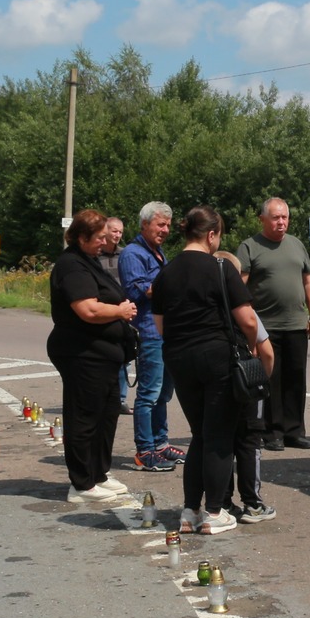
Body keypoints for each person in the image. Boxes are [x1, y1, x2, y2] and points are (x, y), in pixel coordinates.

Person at [151, 206, 263, 536]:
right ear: (211, 235)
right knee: (218, 436)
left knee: (199, 434)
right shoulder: (220, 267)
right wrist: (251, 347)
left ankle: (190, 511)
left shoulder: (166, 273)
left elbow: (160, 326)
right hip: (216, 356)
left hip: (178, 358)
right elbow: (248, 320)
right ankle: (214, 512)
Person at [48, 210, 139, 505]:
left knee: (107, 414)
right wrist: (120, 311)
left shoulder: (89, 260)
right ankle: (82, 483)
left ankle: (99, 473)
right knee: (85, 417)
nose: (105, 241)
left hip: (103, 354)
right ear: (81, 237)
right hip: (82, 353)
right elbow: (87, 309)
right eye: (99, 237)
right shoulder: (71, 265)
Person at [236, 196, 310, 452]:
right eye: (275, 217)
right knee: (271, 380)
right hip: (265, 327)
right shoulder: (250, 246)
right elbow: (239, 285)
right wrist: (245, 323)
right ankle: (272, 432)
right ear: (263, 219)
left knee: (296, 379)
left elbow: (308, 282)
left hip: (296, 325)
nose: (281, 222)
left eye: (285, 217)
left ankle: (294, 431)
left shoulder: (296, 245)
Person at [122, 201, 185, 473]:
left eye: (168, 225)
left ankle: (160, 444)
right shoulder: (132, 254)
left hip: (166, 333)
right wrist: (175, 283)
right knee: (148, 395)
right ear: (145, 224)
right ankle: (144, 451)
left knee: (163, 395)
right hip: (149, 334)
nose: (166, 230)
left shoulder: (157, 252)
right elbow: (136, 291)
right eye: (161, 224)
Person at [216, 250, 278, 522]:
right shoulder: (244, 309)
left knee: (221, 440)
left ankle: (222, 502)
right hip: (246, 383)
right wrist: (262, 380)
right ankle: (252, 503)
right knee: (250, 441)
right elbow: (267, 352)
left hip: (216, 382)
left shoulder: (206, 309)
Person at [102, 216, 130, 413]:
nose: (118, 235)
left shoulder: (125, 255)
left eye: (120, 232)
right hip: (103, 311)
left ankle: (120, 399)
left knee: (125, 357)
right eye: (114, 231)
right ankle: (104, 396)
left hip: (124, 310)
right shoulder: (95, 256)